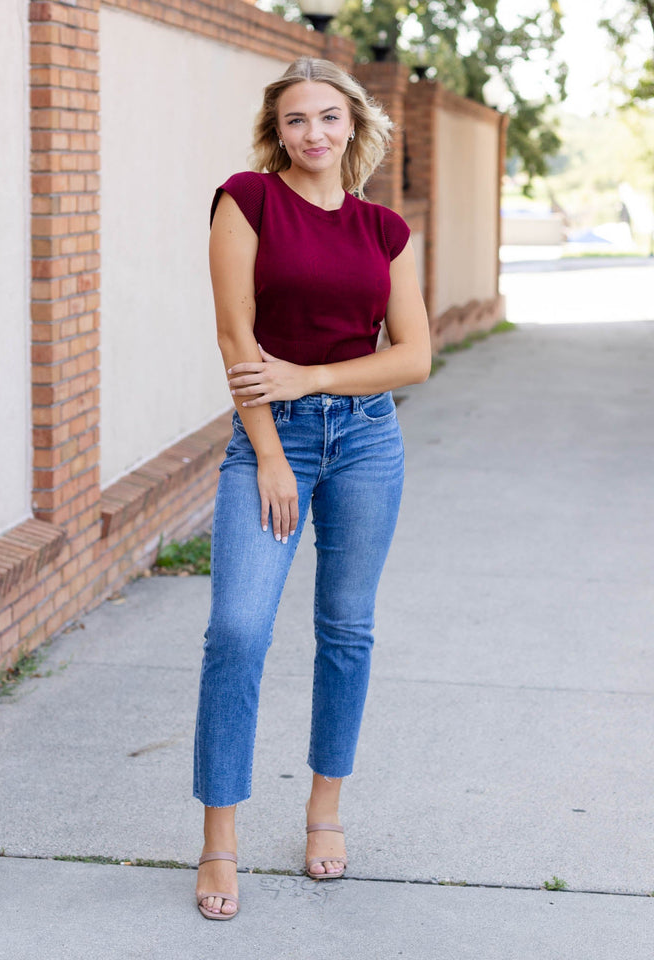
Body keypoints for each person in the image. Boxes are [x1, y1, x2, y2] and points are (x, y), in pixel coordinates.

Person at [193, 56, 431, 921]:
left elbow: (414, 355)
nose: (315, 133)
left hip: (368, 440)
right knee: (238, 629)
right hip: (273, 442)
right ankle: (221, 837)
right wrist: (272, 452)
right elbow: (235, 338)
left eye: (330, 117)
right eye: (297, 119)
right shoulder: (246, 201)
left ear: (353, 126)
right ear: (277, 131)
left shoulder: (383, 230)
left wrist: (314, 379)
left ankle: (324, 810)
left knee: (347, 627)